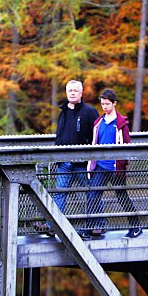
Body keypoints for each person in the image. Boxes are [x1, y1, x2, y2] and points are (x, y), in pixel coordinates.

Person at [83, 89, 139, 239]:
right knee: (93, 194)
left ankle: (136, 226)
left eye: (107, 104)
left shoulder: (121, 124)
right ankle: (89, 228)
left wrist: (122, 164)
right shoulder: (98, 123)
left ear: (114, 103)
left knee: (121, 196)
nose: (105, 107)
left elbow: (127, 145)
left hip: (115, 168)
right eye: (102, 104)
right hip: (100, 166)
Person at [53, 79, 98, 215]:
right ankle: (52, 226)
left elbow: (96, 137)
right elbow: (59, 136)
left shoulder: (89, 112)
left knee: (91, 192)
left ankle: (97, 224)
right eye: (70, 91)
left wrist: (91, 159)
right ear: (66, 93)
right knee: (59, 193)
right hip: (64, 162)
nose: (72, 93)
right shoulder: (63, 112)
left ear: (81, 93)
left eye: (75, 91)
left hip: (82, 163)